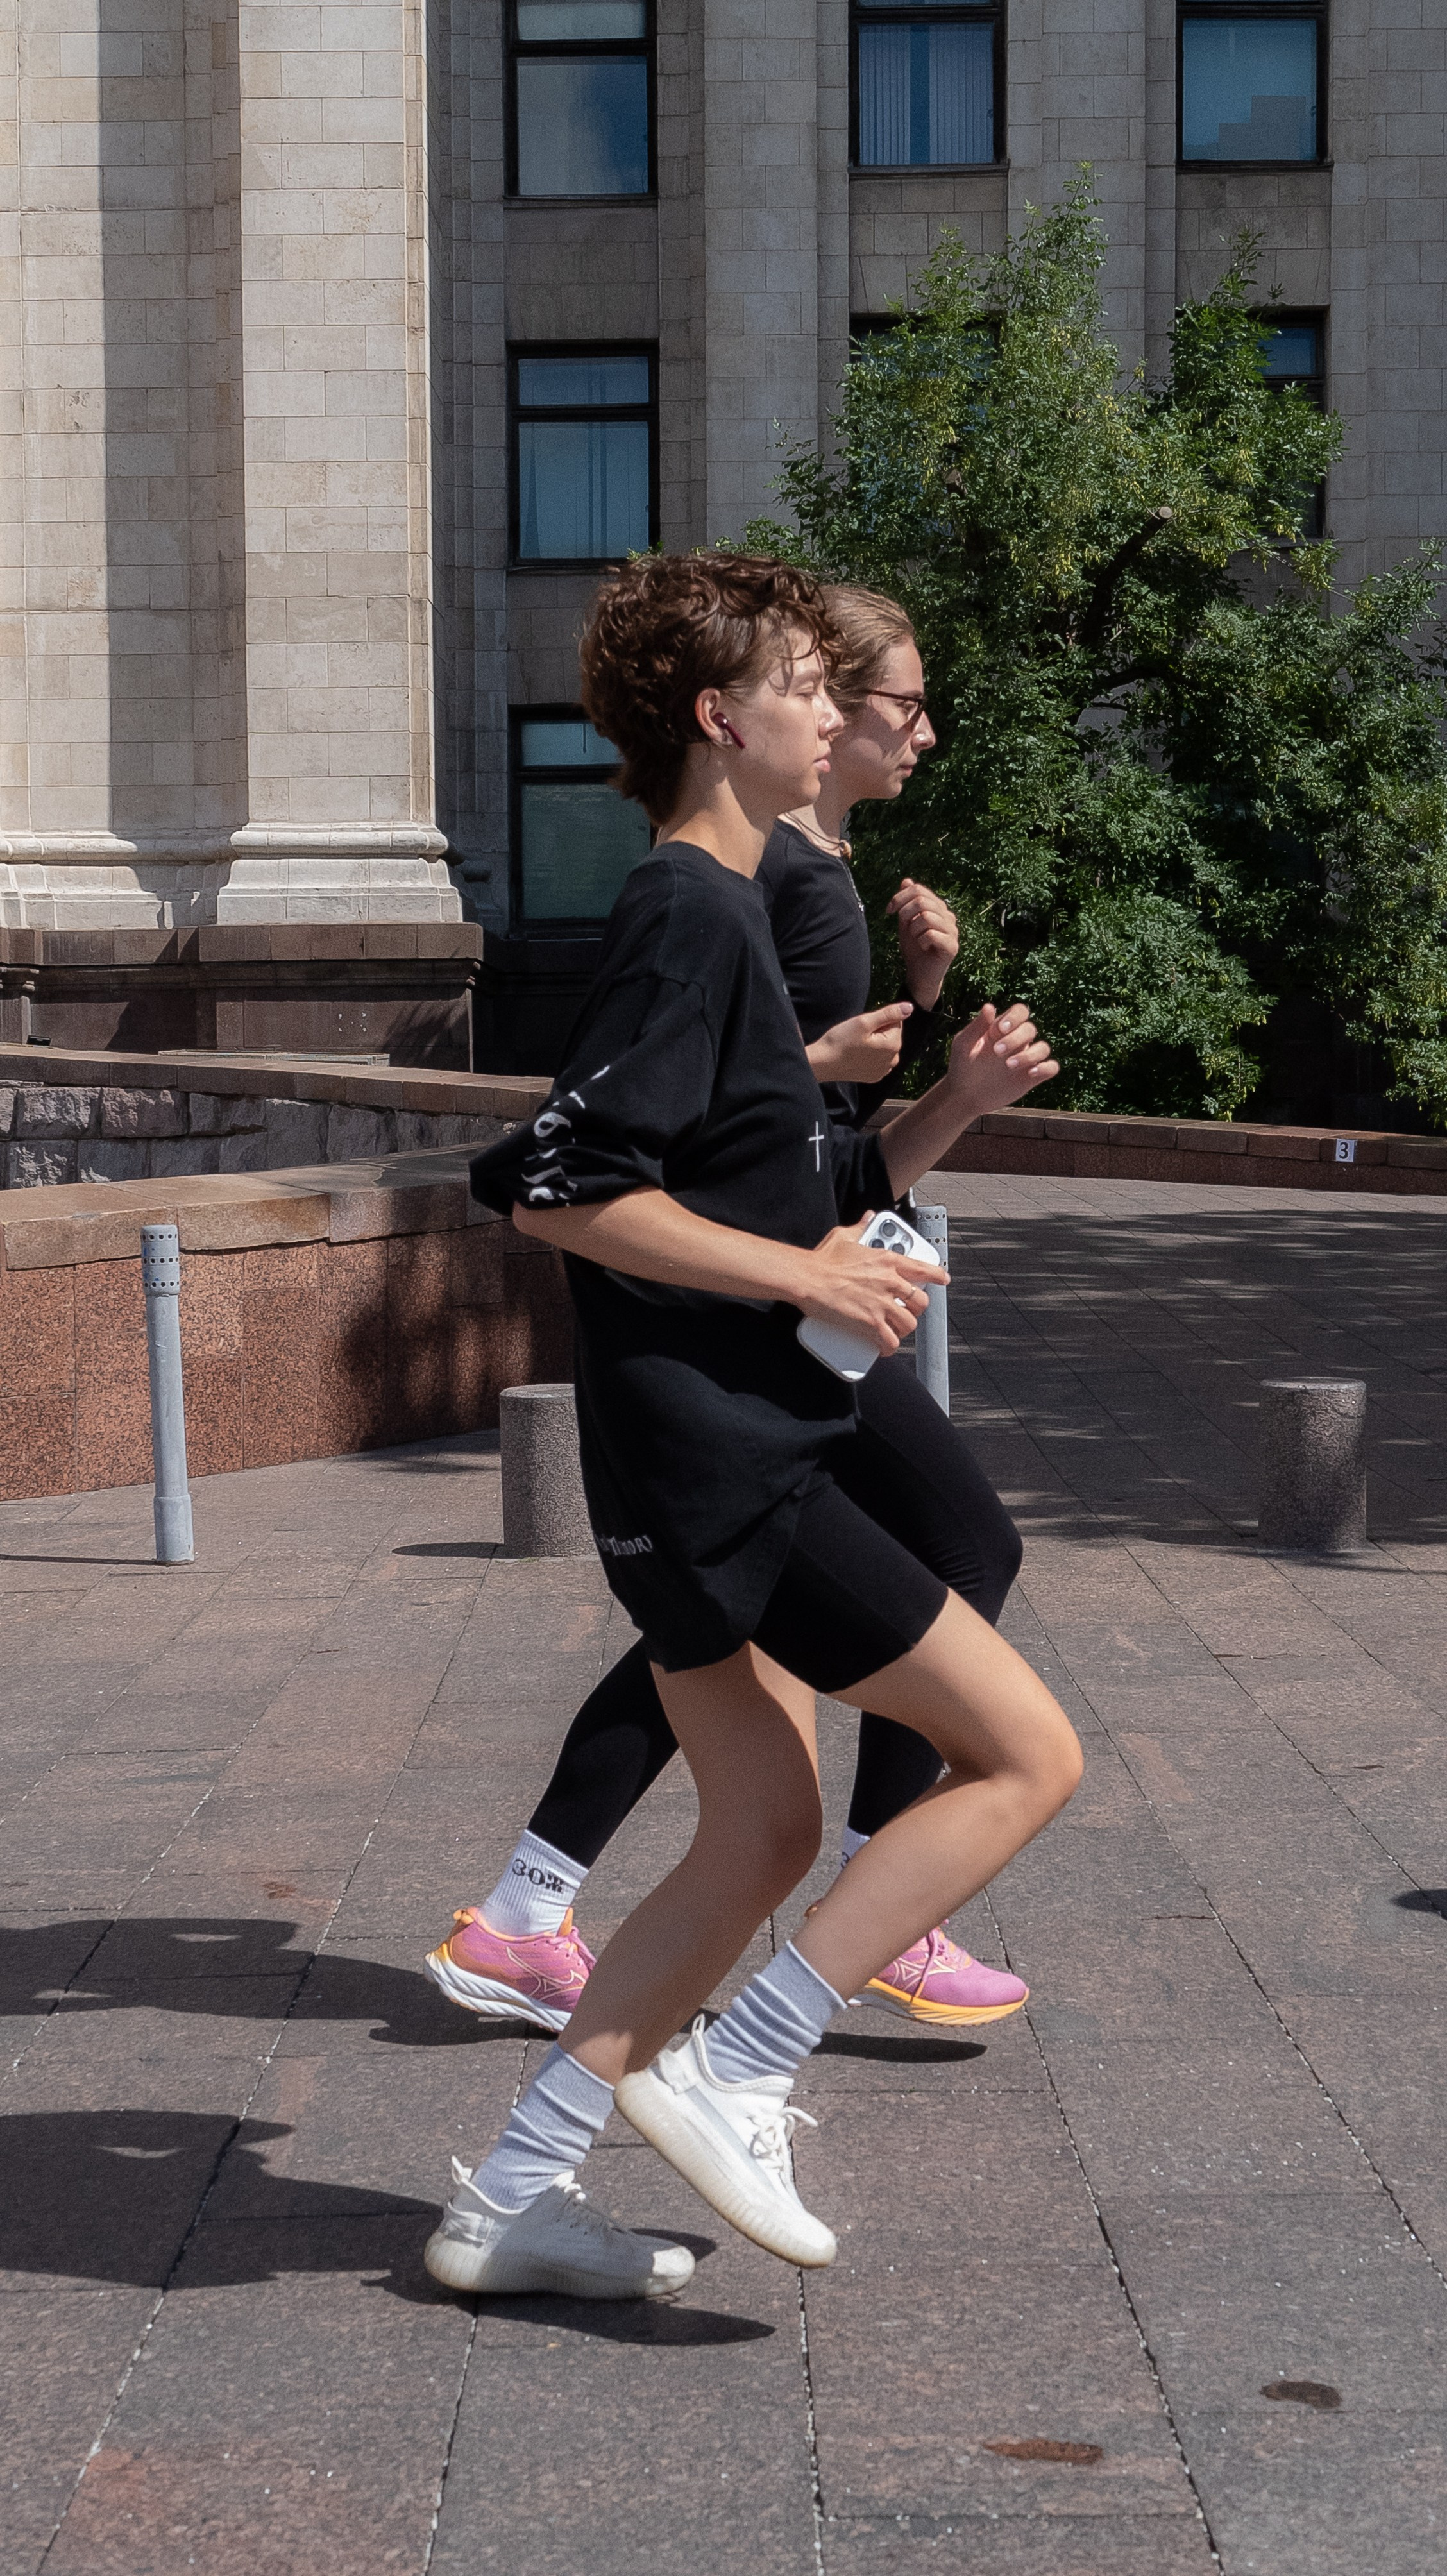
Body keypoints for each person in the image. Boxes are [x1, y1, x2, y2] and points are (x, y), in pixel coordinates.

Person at [423, 552, 1079, 2304]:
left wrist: (941, 1105)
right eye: (804, 682)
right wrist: (801, 1265)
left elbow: (768, 1173)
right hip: (725, 1449)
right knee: (1027, 1758)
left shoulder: (708, 909)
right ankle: (744, 2062)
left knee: (765, 1829)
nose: (830, 707)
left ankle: (511, 2193)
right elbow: (557, 1186)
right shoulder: (695, 909)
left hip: (704, 1441)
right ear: (725, 721)